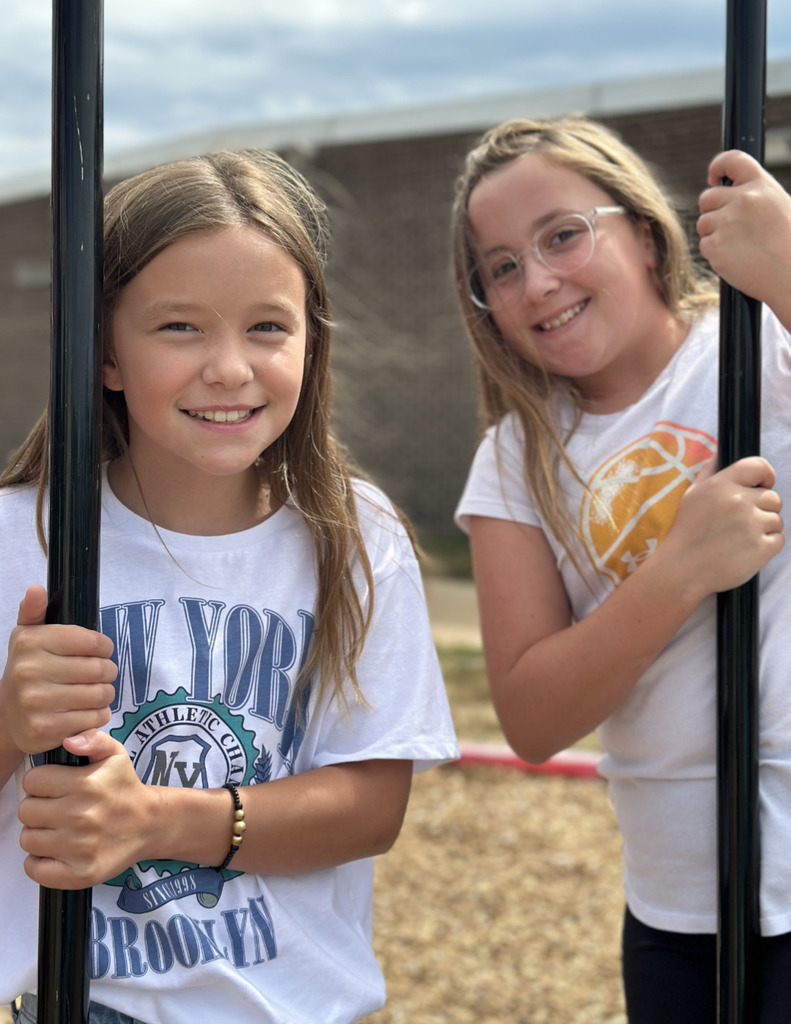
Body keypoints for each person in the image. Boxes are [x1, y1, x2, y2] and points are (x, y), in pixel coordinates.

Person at [0, 148, 458, 1024]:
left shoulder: (356, 539)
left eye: (266, 327)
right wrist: (8, 721)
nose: (228, 368)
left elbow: (370, 805)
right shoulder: (21, 538)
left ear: (311, 343)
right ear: (103, 352)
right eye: (179, 328)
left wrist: (158, 822)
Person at [452, 114, 791, 1023]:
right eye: (501, 267)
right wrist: (676, 569)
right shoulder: (517, 457)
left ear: (643, 234)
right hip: (677, 912)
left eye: (562, 234)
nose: (538, 280)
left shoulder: (757, 348)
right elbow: (529, 715)